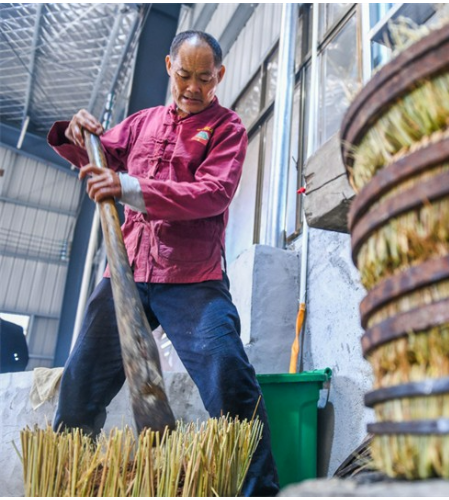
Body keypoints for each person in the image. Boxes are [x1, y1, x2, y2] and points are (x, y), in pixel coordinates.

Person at [47, 30, 279, 497]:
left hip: (192, 277)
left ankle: (261, 492)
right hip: (126, 271)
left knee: (229, 378)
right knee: (79, 387)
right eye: (184, 75)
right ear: (168, 66)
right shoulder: (140, 123)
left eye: (205, 78)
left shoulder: (227, 128)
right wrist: (74, 134)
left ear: (221, 76)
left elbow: (212, 195)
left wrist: (127, 188)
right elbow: (98, 154)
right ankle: (62, 485)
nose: (193, 87)